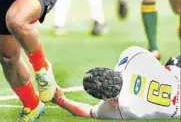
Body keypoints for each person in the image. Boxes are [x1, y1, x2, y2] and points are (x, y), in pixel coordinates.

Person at [53, 46, 181, 119]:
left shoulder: (121, 108)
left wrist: (60, 100)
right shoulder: (132, 55)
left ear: (104, 97)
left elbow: (88, 111)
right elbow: (153, 62)